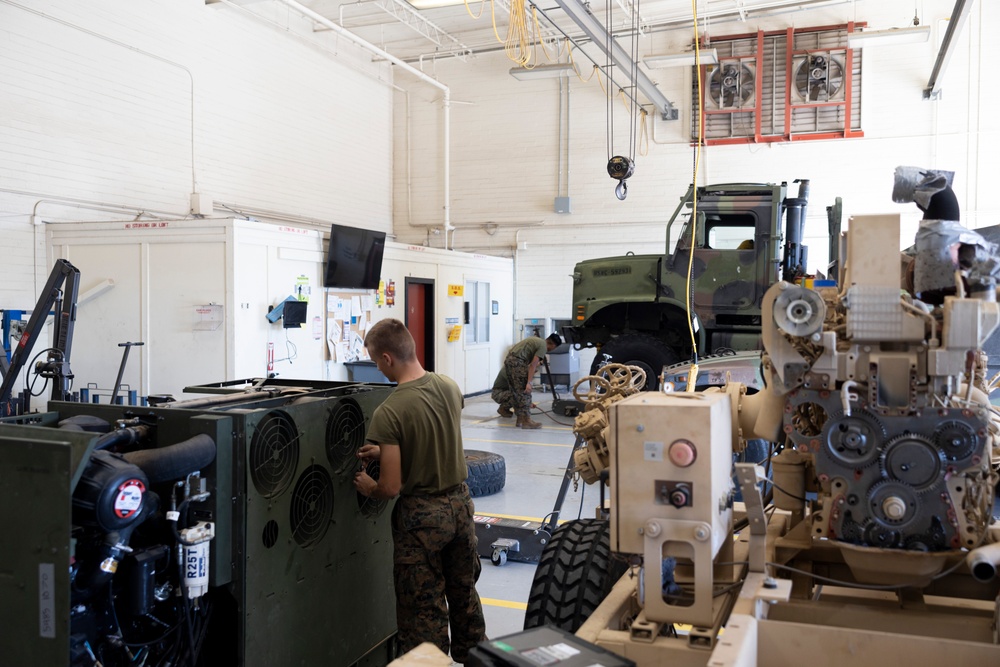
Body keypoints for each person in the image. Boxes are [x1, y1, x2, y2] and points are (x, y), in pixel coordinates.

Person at [352, 318, 486, 663]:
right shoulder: (449, 386)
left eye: (375, 361)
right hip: (460, 507)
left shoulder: (391, 410)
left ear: (386, 359)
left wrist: (369, 487)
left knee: (422, 613)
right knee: (464, 597)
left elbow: (391, 486)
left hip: (422, 521)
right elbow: (434, 433)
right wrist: (389, 448)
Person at [493, 332, 561, 429]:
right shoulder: (543, 346)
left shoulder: (536, 341)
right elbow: (533, 365)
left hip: (511, 361)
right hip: (517, 363)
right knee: (525, 391)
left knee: (518, 392)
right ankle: (526, 421)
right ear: (553, 345)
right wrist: (529, 382)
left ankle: (520, 419)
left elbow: (530, 365)